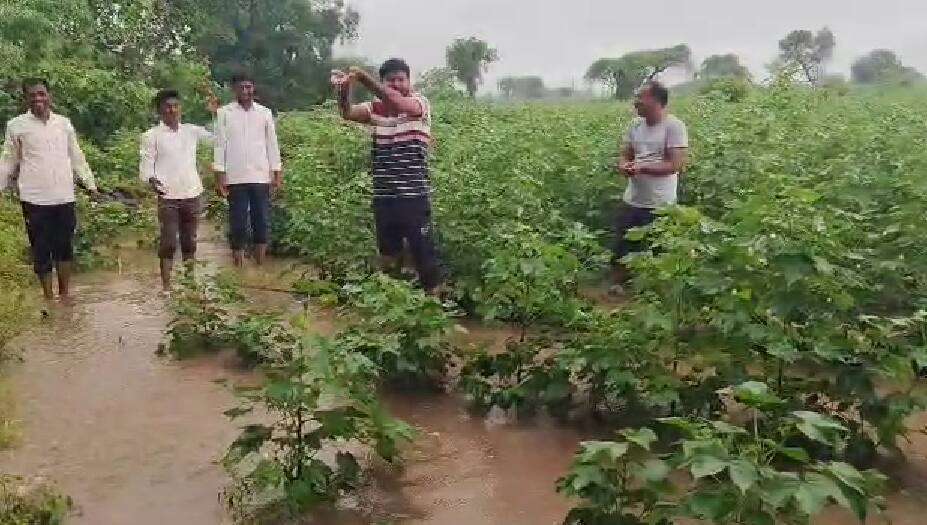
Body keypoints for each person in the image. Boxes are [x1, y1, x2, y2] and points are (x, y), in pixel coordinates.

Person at [332, 59, 443, 294]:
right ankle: (391, 303)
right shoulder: (376, 109)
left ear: (409, 82)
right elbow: (348, 113)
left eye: (400, 79)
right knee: (388, 256)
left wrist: (363, 78)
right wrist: (344, 89)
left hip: (413, 196)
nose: (396, 84)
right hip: (384, 196)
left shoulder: (418, 103)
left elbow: (398, 102)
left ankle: (435, 304)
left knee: (424, 255)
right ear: (383, 81)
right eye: (390, 80)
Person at [0, 78, 98, 303]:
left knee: (64, 248)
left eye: (41, 94)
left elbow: (76, 156)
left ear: (49, 95)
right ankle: (48, 298)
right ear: (25, 99)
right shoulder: (16, 126)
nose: (38, 99)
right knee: (41, 250)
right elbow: (8, 161)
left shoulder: (63, 124)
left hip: (64, 196)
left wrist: (90, 184)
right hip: (34, 199)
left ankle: (64, 295)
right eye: (32, 95)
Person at [612, 81, 688, 294]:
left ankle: (655, 295)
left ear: (656, 101)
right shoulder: (635, 125)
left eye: (640, 97)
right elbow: (625, 153)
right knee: (622, 247)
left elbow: (675, 165)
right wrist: (623, 166)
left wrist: (642, 167)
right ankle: (619, 289)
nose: (636, 102)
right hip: (632, 199)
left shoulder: (674, 126)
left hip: (660, 204)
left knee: (658, 251)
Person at [140, 89, 218, 291]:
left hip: (192, 193)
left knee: (190, 241)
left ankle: (190, 284)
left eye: (175, 106)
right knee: (168, 242)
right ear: (159, 111)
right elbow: (146, 166)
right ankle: (166, 287)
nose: (172, 110)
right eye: (167, 107)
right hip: (168, 196)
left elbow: (217, 138)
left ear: (180, 108)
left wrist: (215, 114)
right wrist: (151, 179)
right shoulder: (151, 136)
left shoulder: (191, 131)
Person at [213, 73, 282, 267]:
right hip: (235, 176)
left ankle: (260, 264)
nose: (246, 91)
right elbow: (220, 146)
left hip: (260, 175)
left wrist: (277, 173)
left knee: (261, 220)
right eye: (241, 87)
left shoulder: (264, 113)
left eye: (249, 87)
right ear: (234, 90)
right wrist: (220, 176)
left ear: (254, 88)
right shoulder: (224, 113)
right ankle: (239, 265)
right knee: (238, 222)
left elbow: (272, 145)